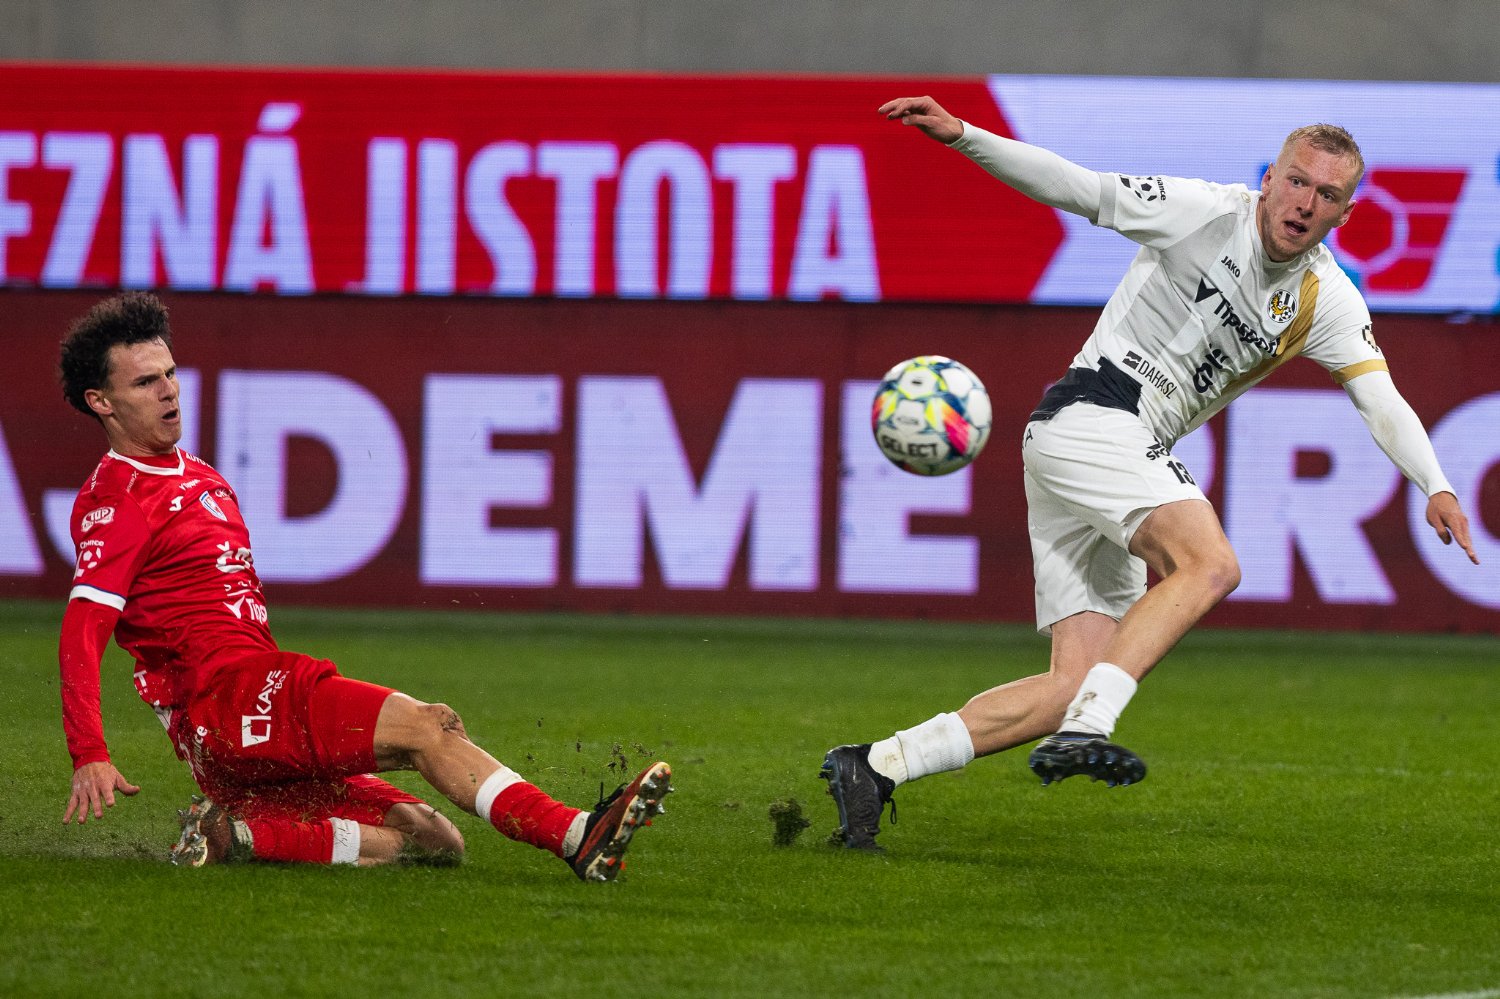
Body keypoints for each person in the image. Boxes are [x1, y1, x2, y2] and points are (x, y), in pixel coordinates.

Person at [820, 96, 1479, 850]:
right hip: (1092, 416)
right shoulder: (1203, 214)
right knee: (1211, 564)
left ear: (1346, 213)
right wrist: (965, 135)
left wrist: (1435, 483)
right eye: (1297, 181)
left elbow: (1379, 397)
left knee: (1069, 682)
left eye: (1327, 194)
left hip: (1102, 448)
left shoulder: (1325, 298)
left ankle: (875, 766)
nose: (1305, 202)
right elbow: (1077, 187)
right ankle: (1090, 728)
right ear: (1269, 180)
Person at [57, 292, 672, 876]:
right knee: (424, 729)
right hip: (232, 701)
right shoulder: (119, 501)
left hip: (237, 726)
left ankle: (238, 835)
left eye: (170, 373)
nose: (168, 390)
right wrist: (90, 754)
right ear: (101, 401)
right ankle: (578, 835)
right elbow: (82, 632)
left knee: (436, 841)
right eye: (145, 382)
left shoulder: (198, 475)